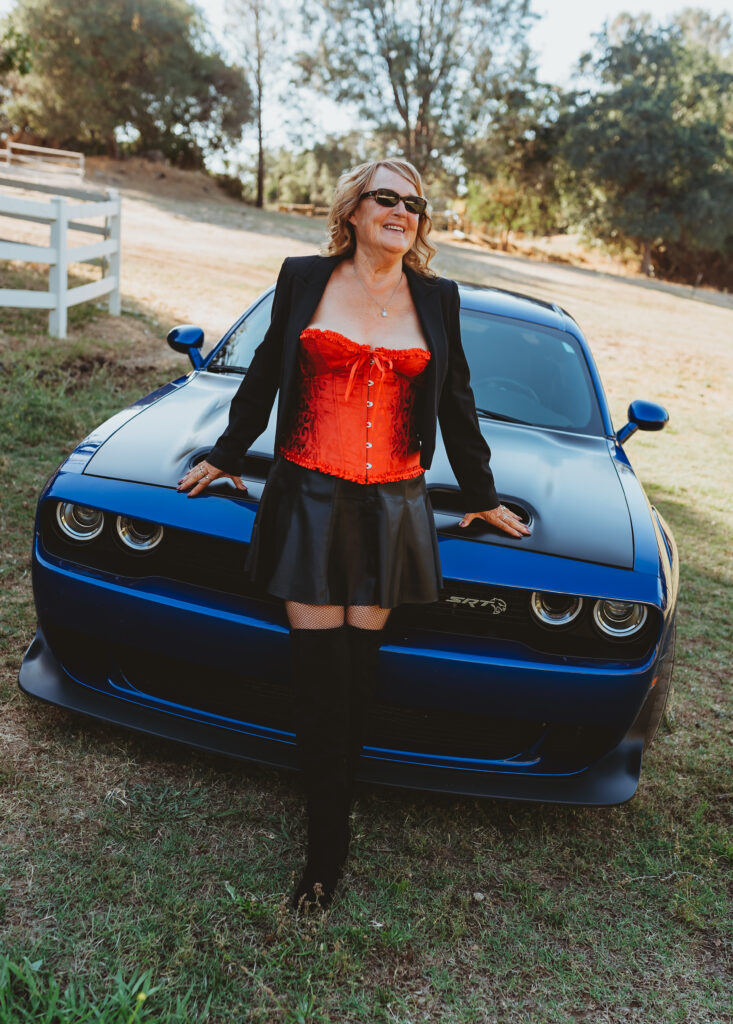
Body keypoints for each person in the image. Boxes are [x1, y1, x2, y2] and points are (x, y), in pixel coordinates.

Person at [178, 159, 530, 912]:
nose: (402, 211)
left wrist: (480, 495)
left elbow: (457, 401)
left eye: (415, 204)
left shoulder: (438, 298)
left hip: (392, 506)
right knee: (316, 672)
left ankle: (332, 819)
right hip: (307, 493)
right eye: (386, 199)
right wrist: (224, 455)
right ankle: (322, 851)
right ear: (355, 209)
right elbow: (268, 373)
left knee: (355, 672)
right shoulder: (304, 276)